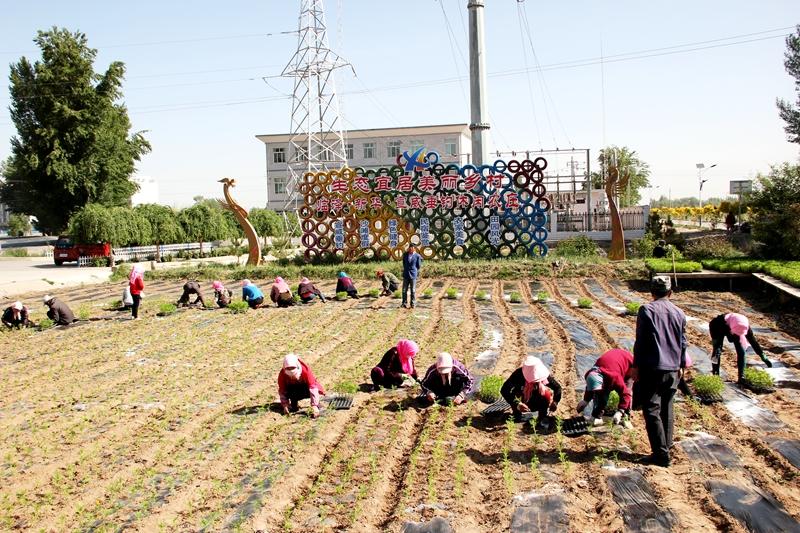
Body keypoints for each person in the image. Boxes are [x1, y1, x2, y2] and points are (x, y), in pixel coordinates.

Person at [633, 275, 686, 467]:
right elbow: (683, 342)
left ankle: (660, 455)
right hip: (673, 368)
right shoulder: (679, 312)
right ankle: (667, 446)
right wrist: (681, 365)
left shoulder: (646, 310)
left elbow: (641, 341)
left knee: (651, 409)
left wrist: (636, 366)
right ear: (670, 293)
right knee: (667, 407)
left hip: (652, 367)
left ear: (652, 292)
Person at [576, 349, 635, 428]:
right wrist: (586, 400)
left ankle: (626, 418)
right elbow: (591, 387)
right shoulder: (591, 374)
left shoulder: (614, 377)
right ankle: (597, 417)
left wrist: (620, 411)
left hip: (629, 365)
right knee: (601, 394)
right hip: (611, 365)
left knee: (627, 389)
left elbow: (625, 394)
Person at [709, 313, 772, 384]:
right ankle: (715, 376)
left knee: (741, 352)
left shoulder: (746, 328)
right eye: (735, 334)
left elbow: (753, 342)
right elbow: (719, 343)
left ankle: (741, 377)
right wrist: (717, 348)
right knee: (717, 350)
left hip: (734, 327)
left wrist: (762, 355)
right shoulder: (719, 323)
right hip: (718, 326)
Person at [501, 356, 561, 429]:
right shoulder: (518, 375)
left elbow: (557, 387)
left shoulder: (543, 375)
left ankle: (542, 417)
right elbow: (504, 390)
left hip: (537, 398)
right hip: (522, 398)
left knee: (546, 394)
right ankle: (517, 415)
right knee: (516, 394)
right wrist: (517, 404)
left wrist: (555, 402)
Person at [278, 354, 325, 419]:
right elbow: (282, 390)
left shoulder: (305, 371)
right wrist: (285, 404)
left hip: (306, 388)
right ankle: (293, 404)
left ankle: (317, 404)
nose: (292, 377)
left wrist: (314, 405)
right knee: (291, 389)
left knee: (313, 395)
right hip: (293, 389)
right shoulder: (282, 374)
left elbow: (313, 387)